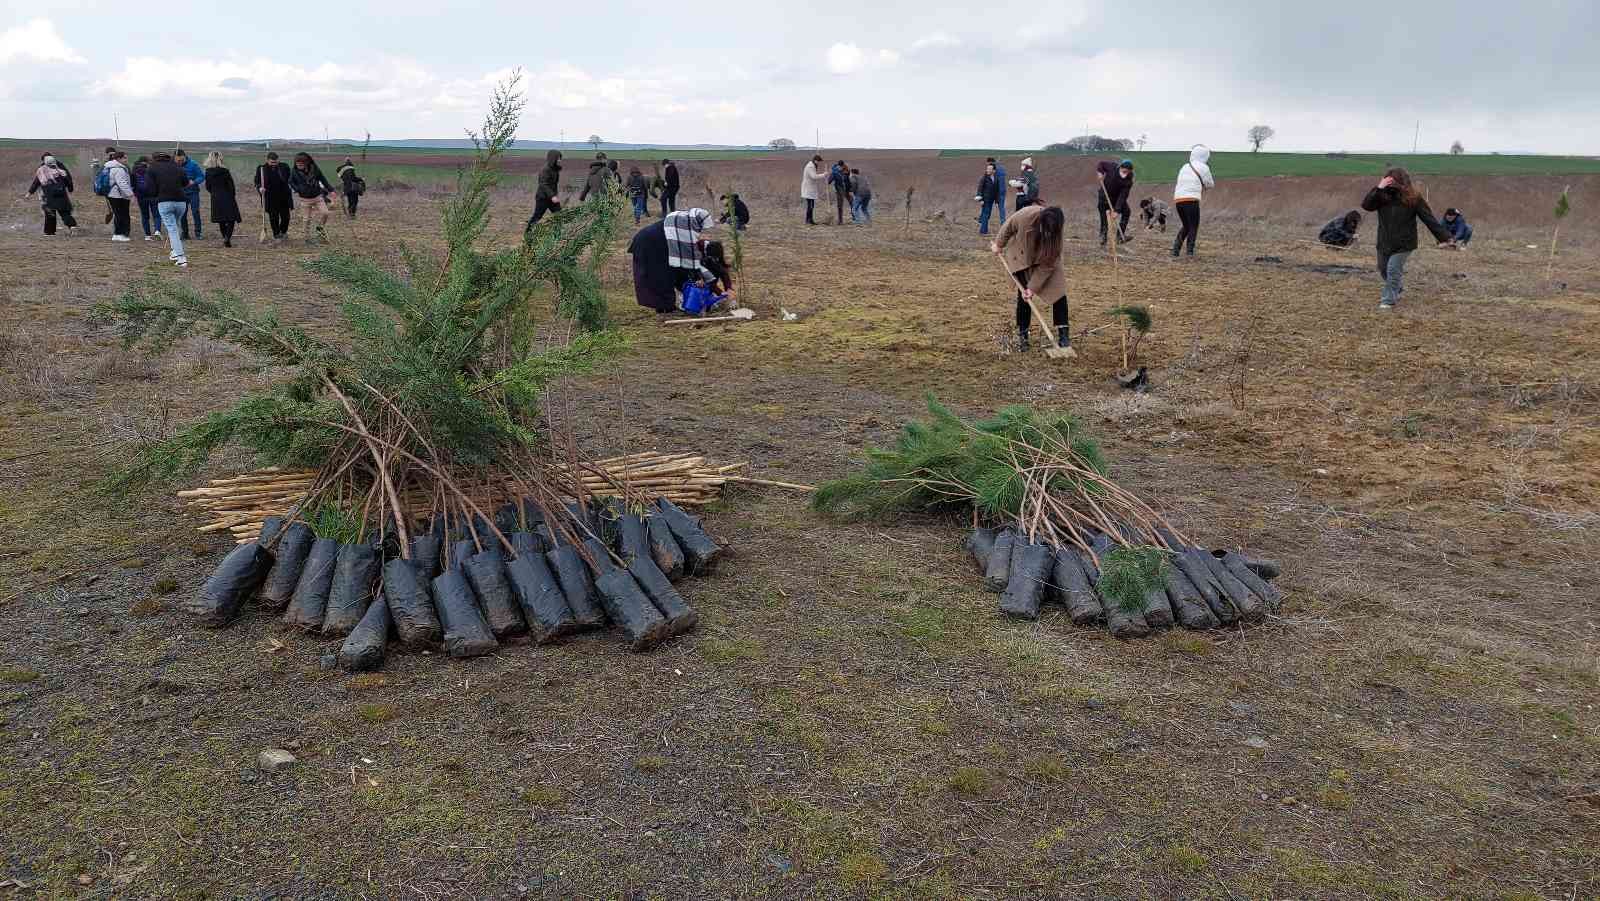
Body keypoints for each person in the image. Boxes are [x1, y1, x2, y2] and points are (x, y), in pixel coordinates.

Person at [1360, 167, 1454, 310]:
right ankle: (1396, 287)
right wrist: (1379, 188)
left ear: (1402, 182)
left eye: (1394, 181)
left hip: (1404, 244)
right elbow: (1367, 206)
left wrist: (1445, 237)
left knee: (1392, 269)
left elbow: (1429, 219)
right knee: (1383, 269)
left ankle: (1388, 301)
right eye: (1388, 180)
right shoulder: (1381, 195)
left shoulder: (1413, 198)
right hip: (1384, 242)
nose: (1391, 184)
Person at [992, 204, 1070, 352]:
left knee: (1059, 293)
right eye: (1045, 230)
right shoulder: (1026, 215)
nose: (1047, 234)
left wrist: (1032, 287)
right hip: (1022, 257)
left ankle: (1064, 335)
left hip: (1045, 260)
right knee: (1023, 298)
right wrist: (998, 244)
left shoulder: (1056, 233)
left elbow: (1048, 265)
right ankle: (1023, 336)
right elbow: (1008, 226)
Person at [627, 208, 726, 314]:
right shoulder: (684, 227)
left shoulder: (685, 222)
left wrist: (717, 291)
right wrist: (700, 279)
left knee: (671, 273)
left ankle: (665, 307)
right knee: (662, 276)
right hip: (650, 245)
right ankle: (665, 308)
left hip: (655, 244)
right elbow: (690, 260)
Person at [146, 151, 192, 267]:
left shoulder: (152, 168)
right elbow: (185, 183)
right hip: (181, 202)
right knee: (176, 227)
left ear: (155, 158)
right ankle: (175, 252)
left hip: (164, 202)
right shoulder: (178, 167)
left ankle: (181, 258)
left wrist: (155, 197)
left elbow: (151, 189)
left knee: (172, 229)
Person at [1170, 146, 1214, 257]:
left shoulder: (1185, 166)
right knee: (1194, 226)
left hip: (1178, 200)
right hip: (1191, 200)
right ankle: (1190, 252)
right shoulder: (1204, 167)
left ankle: (1175, 249)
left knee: (1186, 225)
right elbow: (1210, 184)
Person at [24, 153, 78, 236]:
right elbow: (68, 179)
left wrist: (29, 193)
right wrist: (70, 189)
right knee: (64, 212)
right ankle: (72, 226)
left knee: (50, 213)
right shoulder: (60, 170)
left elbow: (36, 182)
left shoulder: (41, 170)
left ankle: (50, 232)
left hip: (49, 196)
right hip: (62, 194)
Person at [288, 151, 335, 243]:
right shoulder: (294, 171)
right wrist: (298, 189)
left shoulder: (315, 169)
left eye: (301, 164)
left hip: (317, 197)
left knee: (326, 213)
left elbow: (323, 179)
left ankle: (320, 228)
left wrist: (331, 190)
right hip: (304, 199)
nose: (299, 166)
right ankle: (306, 238)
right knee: (306, 220)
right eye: (297, 164)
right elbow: (290, 182)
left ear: (306, 163)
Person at [203, 151, 243, 247]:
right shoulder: (225, 171)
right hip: (227, 196)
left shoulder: (208, 172)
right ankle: (227, 238)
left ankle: (225, 237)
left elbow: (208, 186)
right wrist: (232, 195)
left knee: (221, 219)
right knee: (231, 219)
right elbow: (231, 186)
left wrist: (214, 193)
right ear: (221, 159)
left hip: (215, 197)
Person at [254, 152, 295, 240]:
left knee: (286, 217)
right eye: (272, 162)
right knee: (273, 217)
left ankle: (283, 232)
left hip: (284, 196)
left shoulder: (284, 166)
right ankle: (276, 234)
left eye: (276, 162)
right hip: (270, 197)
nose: (274, 164)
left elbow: (291, 178)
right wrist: (260, 188)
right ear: (267, 160)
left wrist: (294, 186)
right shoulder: (261, 169)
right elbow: (257, 182)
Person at [1095, 158, 1134, 246]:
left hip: (1117, 199)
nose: (1125, 173)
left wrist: (1117, 210)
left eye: (1127, 172)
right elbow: (1101, 163)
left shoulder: (1129, 180)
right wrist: (1100, 172)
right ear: (1120, 167)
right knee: (1103, 215)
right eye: (1124, 171)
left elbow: (1123, 196)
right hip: (1104, 196)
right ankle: (1103, 236)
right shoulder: (1112, 167)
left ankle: (1119, 236)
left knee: (1127, 212)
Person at [103, 150, 135, 242]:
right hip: (118, 195)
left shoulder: (109, 167)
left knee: (119, 214)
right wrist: (131, 195)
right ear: (118, 158)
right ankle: (119, 234)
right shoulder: (119, 169)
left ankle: (118, 234)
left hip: (113, 194)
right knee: (121, 214)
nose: (126, 159)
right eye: (124, 158)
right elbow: (122, 183)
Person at [174, 149, 206, 240]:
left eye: (181, 160)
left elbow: (201, 176)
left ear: (185, 156)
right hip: (180, 193)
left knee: (195, 212)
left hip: (193, 192)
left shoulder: (193, 164)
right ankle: (185, 233)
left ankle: (198, 233)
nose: (179, 162)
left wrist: (195, 181)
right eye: (178, 160)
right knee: (182, 213)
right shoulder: (173, 165)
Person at [527, 149, 563, 229]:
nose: (560, 160)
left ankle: (557, 234)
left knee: (559, 215)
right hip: (542, 198)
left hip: (551, 198)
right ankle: (528, 233)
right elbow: (543, 184)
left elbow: (553, 184)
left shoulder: (554, 169)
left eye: (560, 158)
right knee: (537, 216)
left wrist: (554, 195)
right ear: (553, 158)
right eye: (558, 158)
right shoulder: (545, 169)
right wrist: (552, 196)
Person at [132, 155, 160, 240]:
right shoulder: (153, 169)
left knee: (145, 216)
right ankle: (157, 231)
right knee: (156, 215)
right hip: (153, 195)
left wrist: (135, 194)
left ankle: (147, 235)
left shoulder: (134, 170)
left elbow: (132, 184)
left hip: (141, 196)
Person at [800, 155, 828, 225]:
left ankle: (810, 220)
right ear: (816, 160)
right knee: (810, 205)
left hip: (810, 189)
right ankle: (808, 220)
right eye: (818, 161)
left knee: (811, 205)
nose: (818, 163)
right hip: (808, 189)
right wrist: (823, 175)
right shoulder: (810, 166)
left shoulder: (812, 165)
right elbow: (814, 176)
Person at [975, 162, 1001, 235]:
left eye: (990, 169)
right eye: (987, 169)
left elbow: (996, 191)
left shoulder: (996, 178)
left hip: (991, 200)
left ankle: (981, 221)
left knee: (987, 214)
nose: (988, 170)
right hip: (985, 199)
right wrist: (980, 199)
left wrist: (996, 201)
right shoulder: (984, 178)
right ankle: (983, 231)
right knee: (986, 214)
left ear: (994, 171)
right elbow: (979, 189)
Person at [827, 160, 852, 225]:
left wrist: (850, 190)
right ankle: (840, 221)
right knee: (840, 206)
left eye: (842, 167)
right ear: (838, 166)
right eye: (841, 167)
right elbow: (829, 181)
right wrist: (827, 179)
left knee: (852, 203)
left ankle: (855, 217)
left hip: (846, 189)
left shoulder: (846, 169)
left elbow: (848, 180)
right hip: (839, 190)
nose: (841, 168)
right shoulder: (834, 172)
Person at [992, 158, 1008, 225]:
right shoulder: (1003, 169)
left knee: (987, 204)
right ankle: (1003, 221)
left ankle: (982, 219)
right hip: (1003, 190)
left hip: (997, 191)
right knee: (1001, 207)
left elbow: (994, 181)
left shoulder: (995, 170)